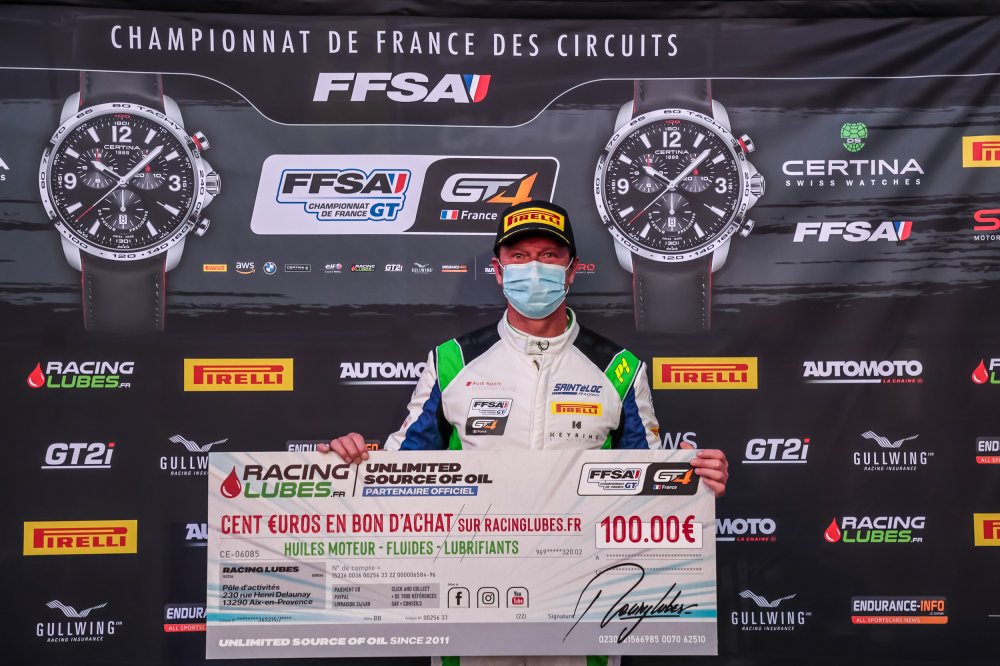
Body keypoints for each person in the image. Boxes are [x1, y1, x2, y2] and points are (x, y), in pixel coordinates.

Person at [321, 199, 729, 666]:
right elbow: (401, 469)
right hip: (470, 594)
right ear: (498, 270)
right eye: (519, 256)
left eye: (549, 255)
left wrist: (693, 482)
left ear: (571, 270)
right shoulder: (453, 360)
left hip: (581, 596)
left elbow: (646, 483)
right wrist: (348, 466)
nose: (534, 268)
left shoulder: (619, 368)